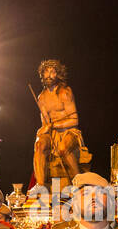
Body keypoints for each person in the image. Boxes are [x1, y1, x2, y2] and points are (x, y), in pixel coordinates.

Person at [32, 59, 88, 187]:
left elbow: (74, 120)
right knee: (39, 144)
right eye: (46, 72)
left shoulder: (65, 92)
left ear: (58, 74)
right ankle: (40, 185)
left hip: (69, 131)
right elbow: (45, 122)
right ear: (42, 75)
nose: (49, 75)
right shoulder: (41, 97)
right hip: (52, 134)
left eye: (53, 72)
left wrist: (52, 125)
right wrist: (42, 130)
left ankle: (78, 183)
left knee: (63, 148)